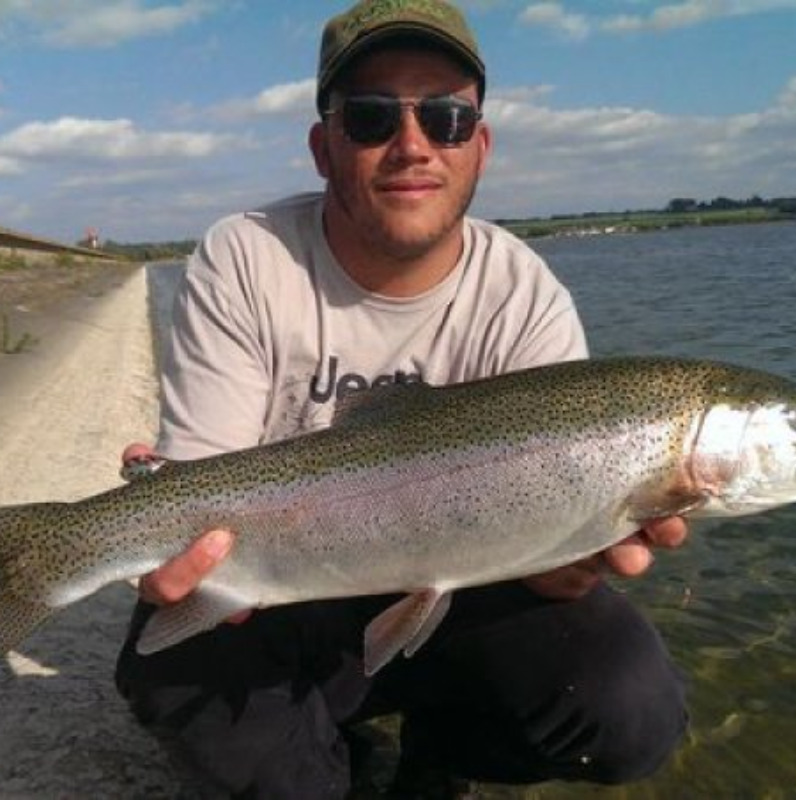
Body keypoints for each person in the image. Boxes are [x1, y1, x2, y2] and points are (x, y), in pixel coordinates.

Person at [115, 1, 689, 798]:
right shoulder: (245, 255)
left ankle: (442, 751)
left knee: (629, 704)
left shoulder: (523, 294)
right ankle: (332, 765)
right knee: (181, 679)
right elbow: (205, 489)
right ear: (324, 146)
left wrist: (567, 563)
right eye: (372, 116)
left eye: (448, 117)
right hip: (282, 590)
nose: (413, 144)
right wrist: (162, 534)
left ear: (480, 146)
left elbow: (548, 555)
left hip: (453, 594)